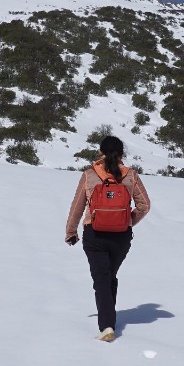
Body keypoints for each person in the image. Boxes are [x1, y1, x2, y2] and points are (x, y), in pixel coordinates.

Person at [65, 135, 152, 341]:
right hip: (121, 238)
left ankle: (107, 326)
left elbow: (77, 207)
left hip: (94, 234)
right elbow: (145, 206)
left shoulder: (89, 174)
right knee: (108, 276)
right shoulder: (131, 175)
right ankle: (109, 320)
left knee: (102, 279)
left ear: (100, 152)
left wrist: (71, 231)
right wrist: (128, 221)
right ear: (122, 154)